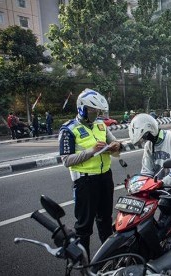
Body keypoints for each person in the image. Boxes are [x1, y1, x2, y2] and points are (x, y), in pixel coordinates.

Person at [59, 88, 122, 256]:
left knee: (105, 222)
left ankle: (109, 260)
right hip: (85, 183)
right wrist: (92, 151)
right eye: (93, 110)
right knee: (84, 227)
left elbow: (115, 145)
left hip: (105, 178)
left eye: (98, 111)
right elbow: (66, 160)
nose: (96, 113)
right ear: (82, 108)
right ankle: (84, 265)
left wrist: (117, 146)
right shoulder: (68, 129)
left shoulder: (101, 125)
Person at [129, 113, 171, 239]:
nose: (145, 139)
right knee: (161, 228)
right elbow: (146, 170)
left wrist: (162, 182)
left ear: (151, 130)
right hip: (161, 192)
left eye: (146, 136)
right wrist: (140, 184)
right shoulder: (149, 145)